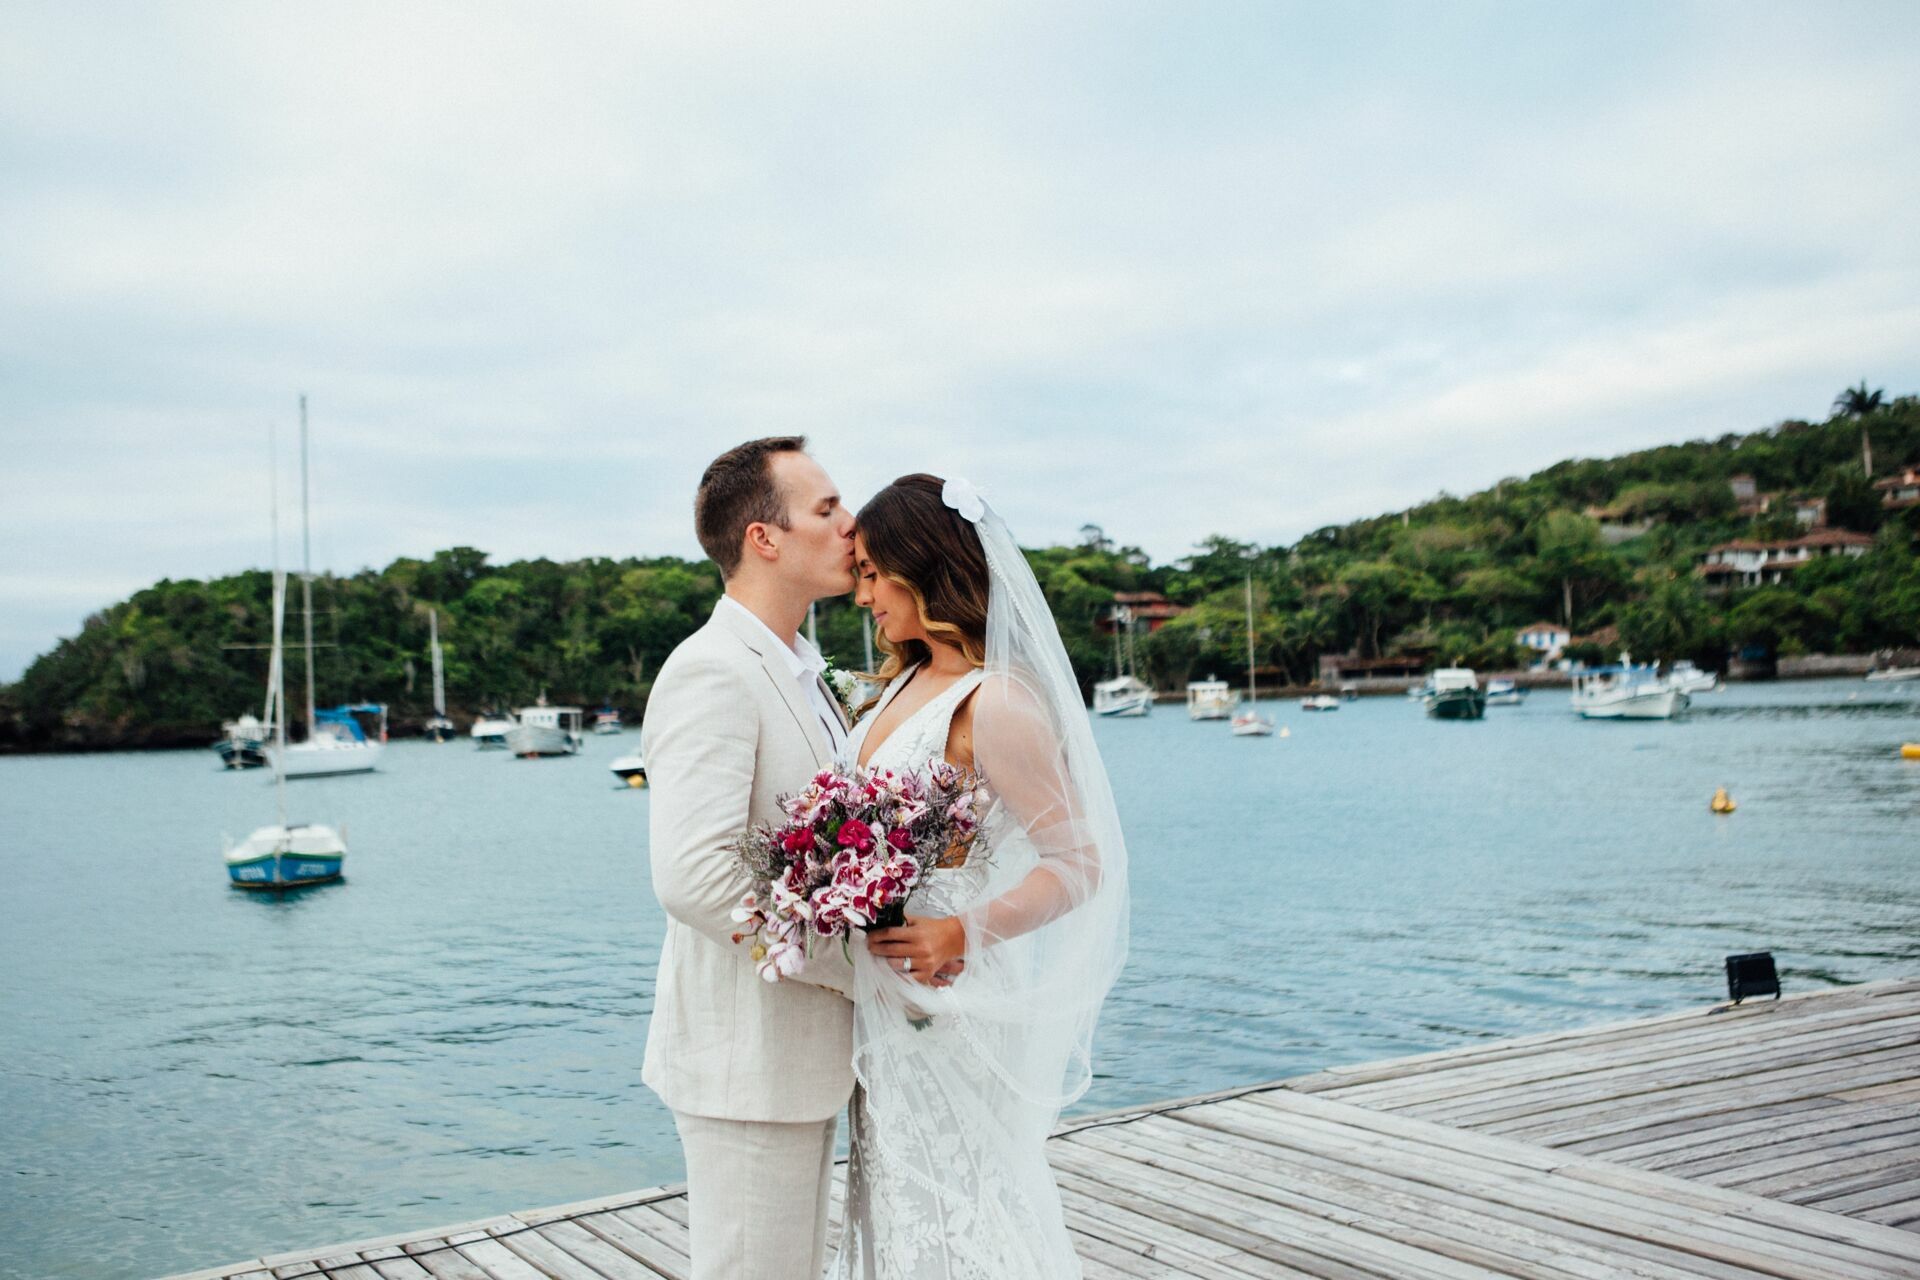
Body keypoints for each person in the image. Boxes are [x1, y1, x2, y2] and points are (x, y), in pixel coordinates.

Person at [832, 473, 1131, 1279]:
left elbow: (1081, 862)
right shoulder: (898, 684)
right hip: (883, 995)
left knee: (963, 1192)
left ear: (920, 567)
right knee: (897, 1192)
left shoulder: (994, 701)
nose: (862, 596)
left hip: (954, 991)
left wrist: (963, 930)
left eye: (871, 573)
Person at [641, 436, 861, 1280]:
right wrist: (856, 966)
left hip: (801, 1059)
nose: (851, 524)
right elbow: (694, 877)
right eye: (826, 509)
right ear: (764, 538)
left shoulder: (803, 670)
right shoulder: (712, 671)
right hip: (746, 1060)